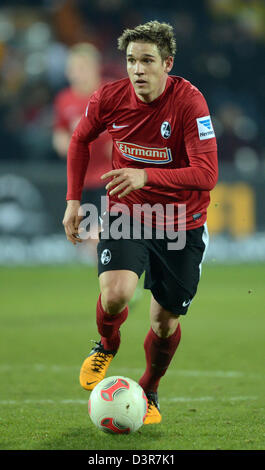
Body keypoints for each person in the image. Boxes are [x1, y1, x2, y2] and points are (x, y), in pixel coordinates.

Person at [62, 21, 218, 427]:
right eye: (131, 60)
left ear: (167, 63)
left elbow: (206, 174)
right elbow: (79, 140)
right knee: (115, 293)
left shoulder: (190, 103)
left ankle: (149, 388)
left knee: (163, 323)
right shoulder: (109, 98)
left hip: (181, 222)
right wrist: (73, 201)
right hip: (127, 211)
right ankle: (106, 342)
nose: (138, 69)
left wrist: (146, 175)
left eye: (147, 60)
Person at [53, 43, 112, 259]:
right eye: (73, 68)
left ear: (95, 68)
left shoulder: (110, 94)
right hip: (81, 180)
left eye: (82, 68)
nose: (76, 73)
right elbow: (59, 132)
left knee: (105, 233)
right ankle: (111, 284)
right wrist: (63, 144)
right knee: (90, 238)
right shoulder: (64, 99)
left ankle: (119, 281)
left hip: (109, 177)